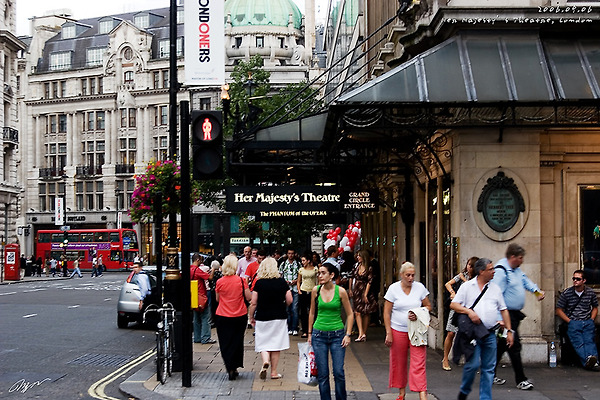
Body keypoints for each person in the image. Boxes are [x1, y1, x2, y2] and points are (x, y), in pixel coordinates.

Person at [452, 258, 514, 400]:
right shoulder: (467, 287)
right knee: (473, 365)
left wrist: (509, 331)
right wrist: (469, 312)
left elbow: (503, 310)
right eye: (490, 269)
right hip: (473, 334)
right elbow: (454, 305)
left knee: (489, 368)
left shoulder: (495, 288)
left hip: (489, 333)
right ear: (481, 271)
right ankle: (464, 390)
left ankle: (485, 398)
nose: (494, 272)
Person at [492, 243, 544, 390]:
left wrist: (536, 292)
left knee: (502, 346)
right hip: (506, 315)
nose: (522, 260)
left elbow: (525, 281)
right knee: (513, 346)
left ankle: (489, 373)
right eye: (520, 258)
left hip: (514, 315)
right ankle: (521, 379)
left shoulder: (516, 270)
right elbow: (496, 295)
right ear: (512, 257)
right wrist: (500, 318)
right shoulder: (501, 271)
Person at [383, 261, 431, 400]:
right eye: (408, 275)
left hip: (417, 331)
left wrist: (418, 312)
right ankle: (401, 393)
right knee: (399, 362)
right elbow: (386, 312)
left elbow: (428, 306)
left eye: (413, 275)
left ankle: (422, 393)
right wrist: (388, 333)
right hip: (398, 329)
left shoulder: (420, 288)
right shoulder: (393, 289)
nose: (411, 278)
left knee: (419, 361)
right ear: (401, 275)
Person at [308, 262, 354, 400]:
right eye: (319, 273)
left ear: (332, 275)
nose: (320, 276)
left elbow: (350, 314)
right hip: (318, 334)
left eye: (323, 273)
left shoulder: (340, 291)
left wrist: (348, 334)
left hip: (337, 335)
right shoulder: (316, 290)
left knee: (338, 372)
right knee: (323, 374)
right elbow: (312, 312)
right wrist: (309, 333)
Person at [248, 257, 293, 380]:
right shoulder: (281, 282)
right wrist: (284, 305)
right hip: (279, 316)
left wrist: (251, 316)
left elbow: (253, 302)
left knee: (263, 342)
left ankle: (265, 360)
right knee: (276, 345)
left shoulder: (259, 283)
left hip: (262, 317)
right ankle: (274, 372)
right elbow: (290, 300)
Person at [215, 254, 252, 380]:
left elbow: (217, 299)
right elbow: (249, 297)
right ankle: (235, 366)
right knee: (237, 341)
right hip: (239, 315)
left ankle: (229, 366)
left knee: (225, 342)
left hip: (223, 315)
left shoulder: (219, 282)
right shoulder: (241, 281)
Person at [556, 269, 599, 370]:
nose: (575, 281)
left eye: (578, 279)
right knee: (578, 343)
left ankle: (593, 361)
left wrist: (592, 319)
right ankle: (589, 361)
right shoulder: (567, 293)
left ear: (584, 280)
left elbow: (595, 307)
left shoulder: (590, 292)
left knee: (589, 341)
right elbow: (559, 310)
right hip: (573, 322)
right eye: (574, 278)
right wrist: (569, 321)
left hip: (587, 321)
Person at [442, 256, 478, 371]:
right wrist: (452, 292)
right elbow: (448, 284)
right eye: (468, 264)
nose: (469, 267)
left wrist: (464, 280)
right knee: (450, 333)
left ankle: (470, 359)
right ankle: (445, 358)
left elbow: (473, 289)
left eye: (471, 265)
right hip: (457, 307)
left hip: (470, 309)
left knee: (469, 335)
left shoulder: (477, 279)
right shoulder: (462, 275)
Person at [350, 249, 379, 342]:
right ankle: (361, 332)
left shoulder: (369, 268)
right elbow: (351, 276)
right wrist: (350, 289)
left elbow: (370, 281)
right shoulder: (356, 266)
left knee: (366, 312)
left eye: (359, 256)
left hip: (365, 290)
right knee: (357, 311)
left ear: (364, 257)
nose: (358, 257)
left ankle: (364, 333)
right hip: (357, 290)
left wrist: (365, 294)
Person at [190, 253, 216, 344]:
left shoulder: (189, 269)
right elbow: (210, 278)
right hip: (201, 296)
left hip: (193, 296)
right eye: (201, 260)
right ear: (197, 260)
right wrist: (213, 269)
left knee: (196, 318)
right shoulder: (197, 270)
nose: (201, 262)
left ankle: (197, 338)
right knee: (205, 317)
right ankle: (206, 338)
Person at [279, 248, 300, 335]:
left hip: (295, 288)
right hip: (286, 289)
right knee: (287, 309)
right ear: (287, 254)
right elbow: (280, 275)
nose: (290, 255)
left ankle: (294, 327)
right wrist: (285, 282)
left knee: (295, 309)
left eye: (292, 253)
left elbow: (300, 275)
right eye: (289, 253)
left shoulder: (298, 264)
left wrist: (296, 281)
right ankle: (288, 327)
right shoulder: (283, 264)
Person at [297, 252, 318, 338]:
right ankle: (305, 330)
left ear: (308, 261)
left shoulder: (315, 269)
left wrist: (317, 289)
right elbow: (298, 281)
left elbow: (317, 280)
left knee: (313, 310)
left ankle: (313, 329)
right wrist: (299, 290)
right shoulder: (301, 270)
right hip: (303, 290)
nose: (302, 262)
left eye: (304, 260)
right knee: (303, 311)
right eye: (302, 260)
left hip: (312, 291)